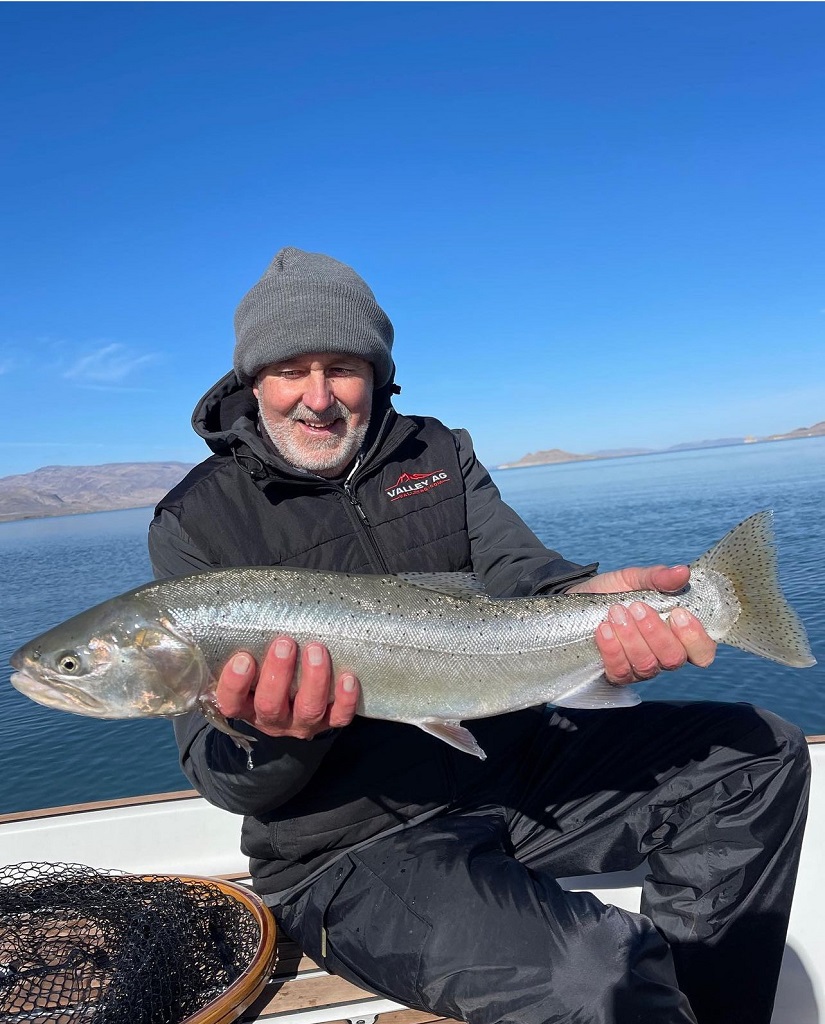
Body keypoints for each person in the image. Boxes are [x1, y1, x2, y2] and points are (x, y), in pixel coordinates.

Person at [149, 248, 809, 1024]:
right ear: (253, 382)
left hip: (511, 769)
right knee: (596, 976)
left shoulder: (436, 451)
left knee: (757, 755)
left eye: (342, 367)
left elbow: (520, 574)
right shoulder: (196, 522)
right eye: (291, 369)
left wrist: (592, 603)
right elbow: (225, 779)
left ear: (377, 370)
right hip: (350, 850)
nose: (318, 398)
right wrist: (278, 736)